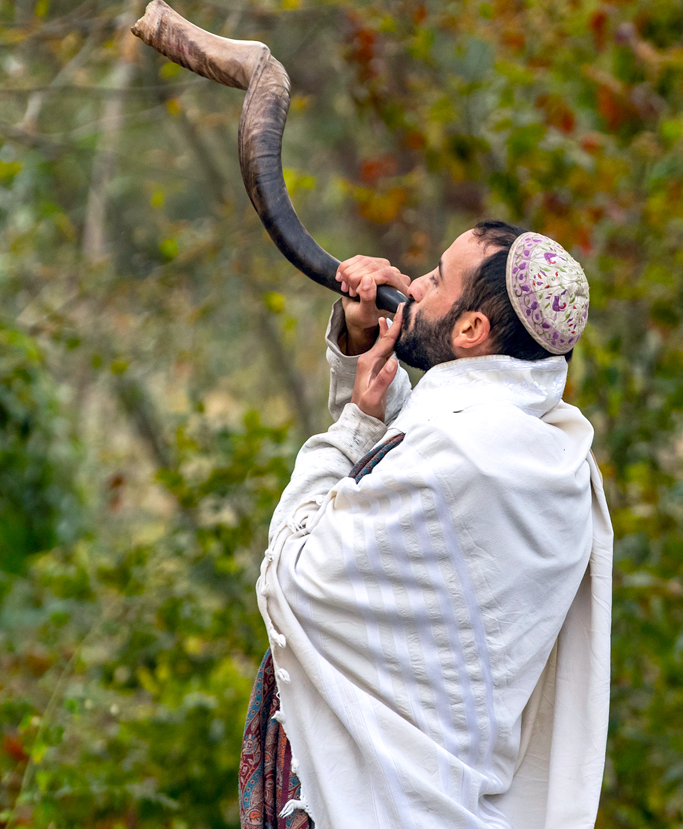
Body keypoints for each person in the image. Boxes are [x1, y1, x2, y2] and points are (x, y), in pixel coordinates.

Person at [239, 220, 613, 829]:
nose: (410, 284)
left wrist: (355, 427)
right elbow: (394, 472)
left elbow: (297, 578)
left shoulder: (460, 455)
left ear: (470, 330)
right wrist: (365, 347)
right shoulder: (546, 453)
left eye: (435, 279)